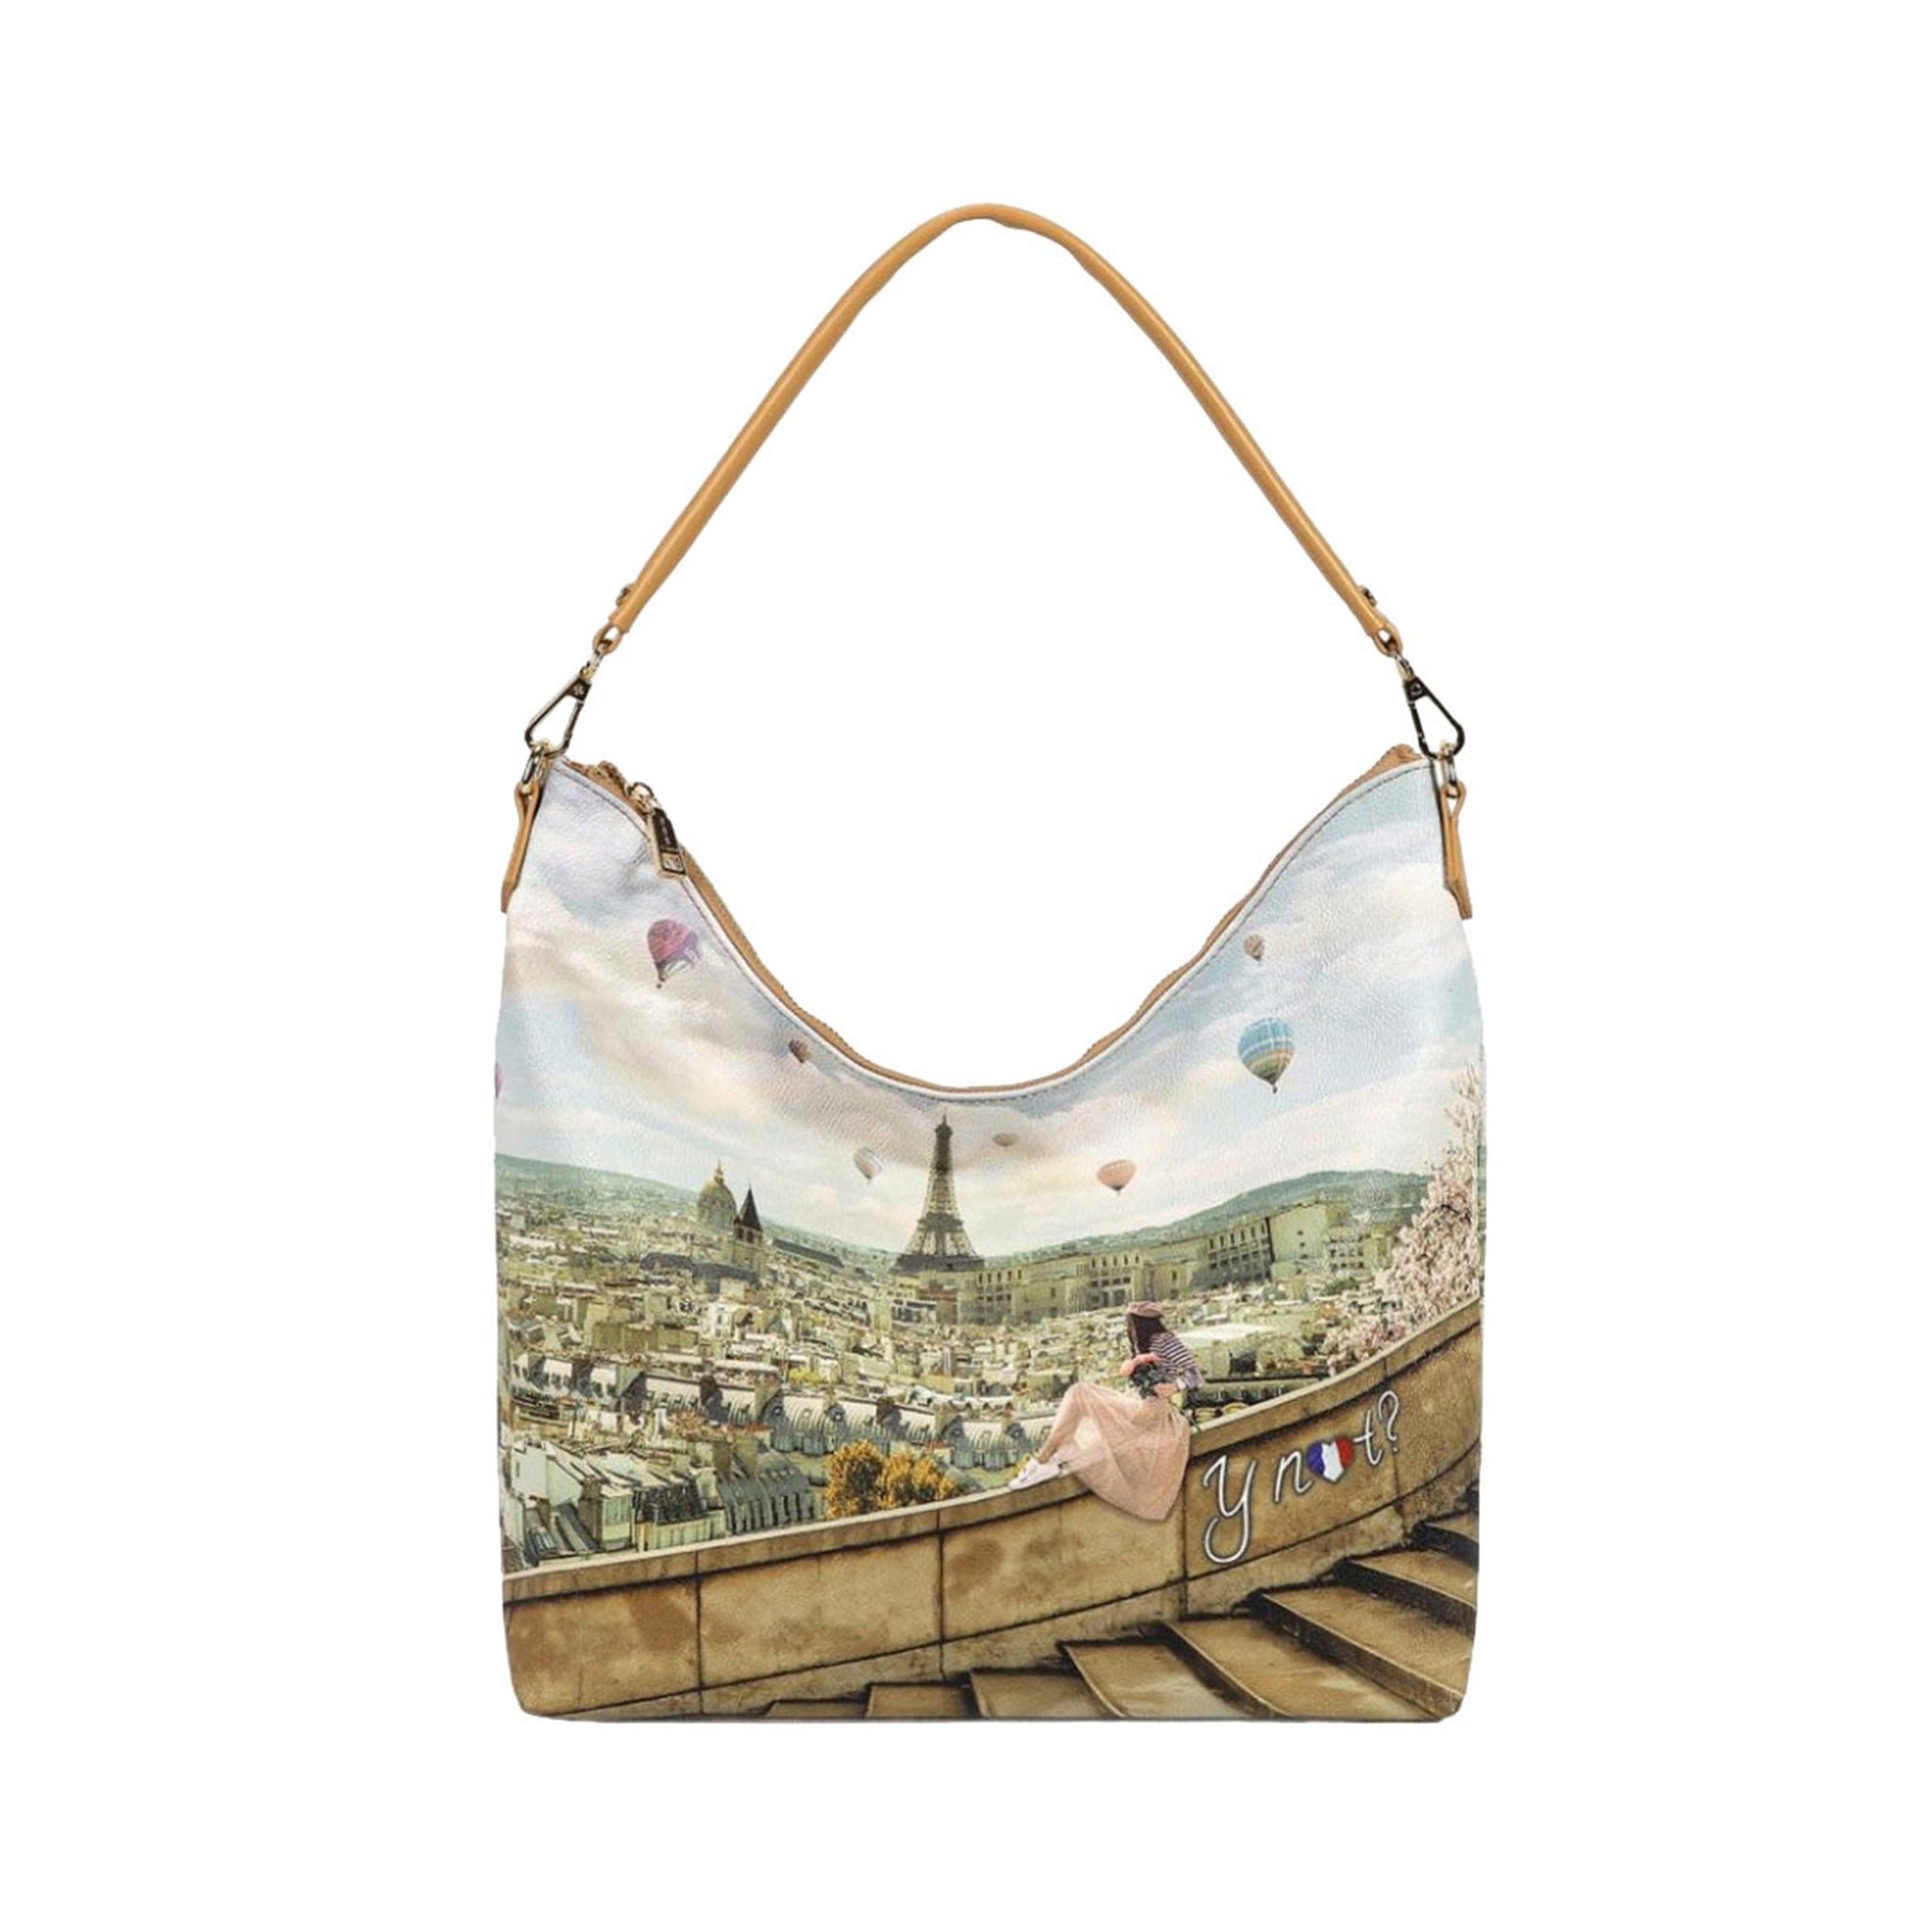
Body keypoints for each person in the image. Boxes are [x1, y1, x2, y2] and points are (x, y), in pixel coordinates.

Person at [1008, 1301, 1202, 1521]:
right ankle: (1044, 1460)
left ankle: (1041, 1462)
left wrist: (1173, 1386)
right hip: (1143, 1408)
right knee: (1079, 1396)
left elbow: (1194, 1375)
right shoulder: (1145, 1343)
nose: (1128, 1327)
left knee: (1080, 1394)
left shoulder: (1163, 1340)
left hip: (1151, 1413)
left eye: (1130, 1322)